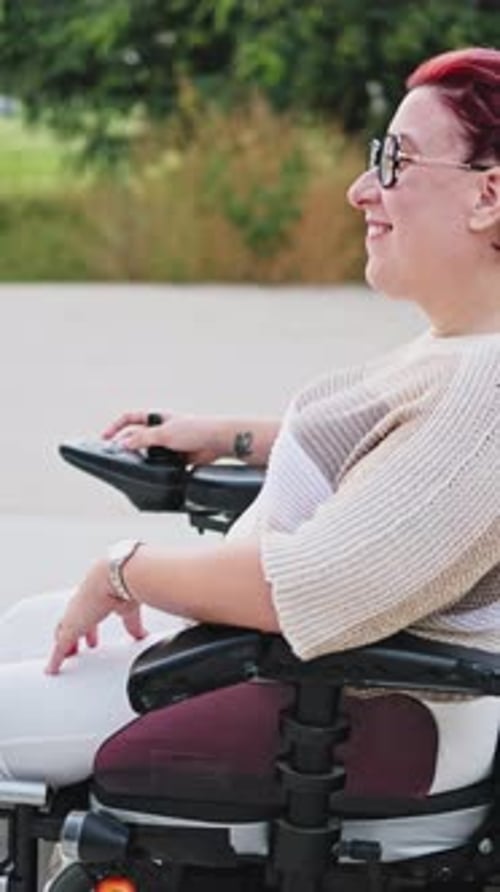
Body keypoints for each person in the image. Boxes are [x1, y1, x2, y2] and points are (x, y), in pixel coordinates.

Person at [0, 46, 499, 860]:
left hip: (353, 705)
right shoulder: (465, 353)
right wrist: (229, 437)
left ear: (488, 195)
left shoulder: (487, 389)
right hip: (310, 676)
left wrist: (123, 568)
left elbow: (311, 587)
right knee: (26, 626)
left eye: (395, 162)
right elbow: (402, 463)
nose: (361, 189)